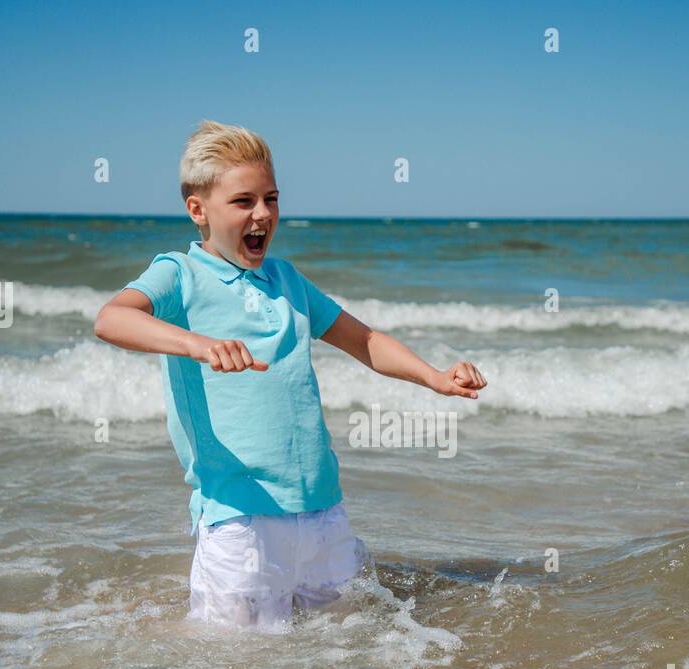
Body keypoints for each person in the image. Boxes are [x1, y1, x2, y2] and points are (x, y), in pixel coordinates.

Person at [95, 120, 487, 629]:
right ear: (198, 210)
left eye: (271, 199)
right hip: (239, 518)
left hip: (322, 511)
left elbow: (364, 341)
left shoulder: (287, 280)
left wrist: (434, 377)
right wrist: (199, 345)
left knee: (347, 655)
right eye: (243, 202)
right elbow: (112, 318)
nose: (262, 214)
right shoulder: (179, 274)